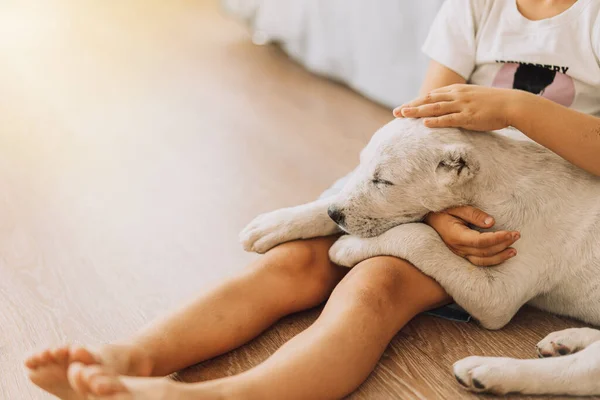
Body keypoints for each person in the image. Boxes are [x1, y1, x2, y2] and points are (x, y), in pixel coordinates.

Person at [24, 0, 600, 398]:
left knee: (375, 286)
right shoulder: (476, 5)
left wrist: (518, 110)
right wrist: (433, 211)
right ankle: (131, 359)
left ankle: (228, 396)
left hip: (517, 220)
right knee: (292, 262)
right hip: (429, 187)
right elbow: (422, 120)